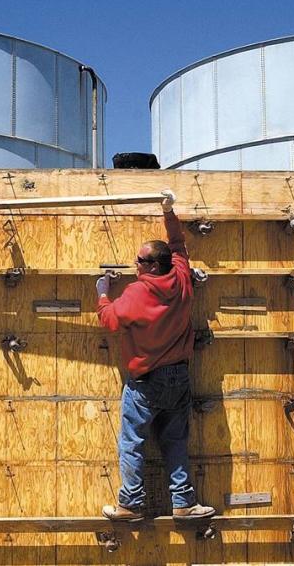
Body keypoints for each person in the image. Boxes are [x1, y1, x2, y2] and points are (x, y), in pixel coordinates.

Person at [96, 189, 216, 522]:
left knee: (133, 441)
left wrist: (103, 294)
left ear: (151, 265)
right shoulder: (180, 278)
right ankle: (184, 503)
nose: (135, 264)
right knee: (175, 441)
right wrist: (169, 212)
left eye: (139, 260)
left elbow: (110, 320)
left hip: (146, 382)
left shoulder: (137, 292)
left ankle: (130, 506)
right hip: (178, 376)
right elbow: (178, 247)